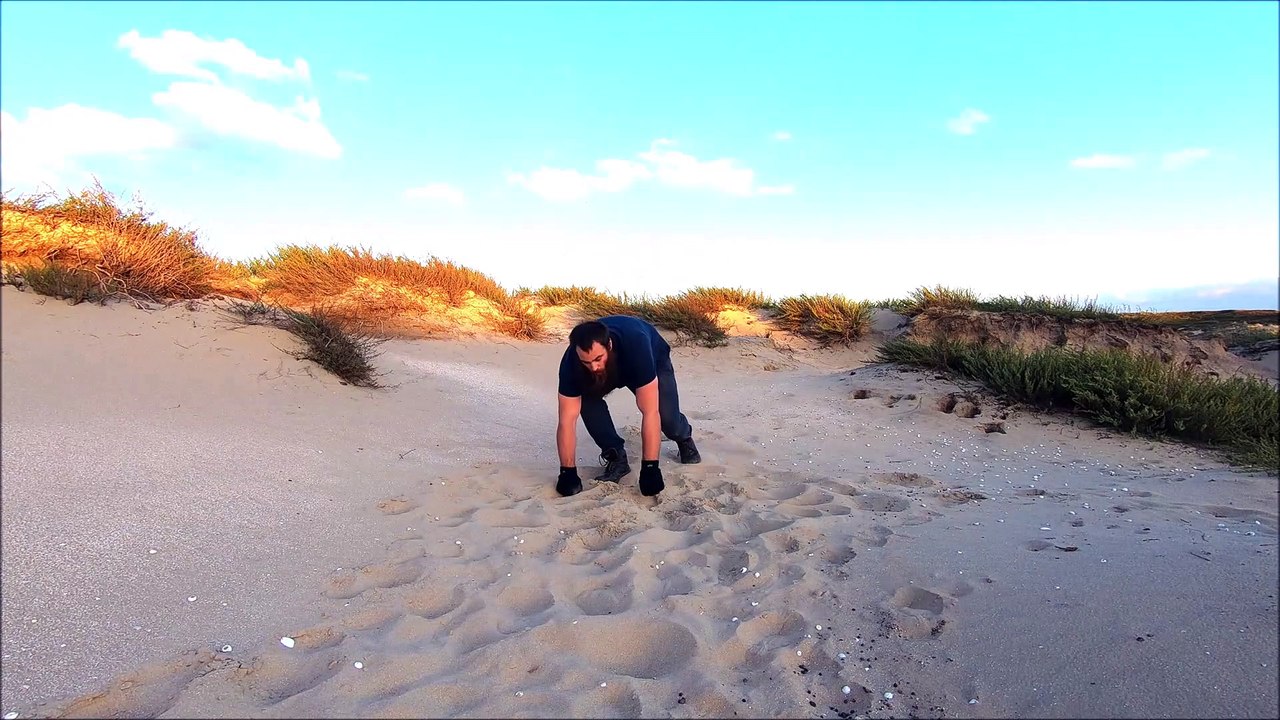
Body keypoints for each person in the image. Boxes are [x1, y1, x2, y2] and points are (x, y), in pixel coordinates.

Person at [554, 315, 701, 497]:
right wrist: (567, 472)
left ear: (609, 346)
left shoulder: (636, 347)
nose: (593, 367)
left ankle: (684, 436)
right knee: (585, 401)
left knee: (667, 417)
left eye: (598, 359)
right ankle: (615, 455)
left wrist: (650, 468)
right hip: (611, 369)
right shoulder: (571, 364)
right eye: (586, 362)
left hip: (652, 358)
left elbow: (650, 412)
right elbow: (567, 421)